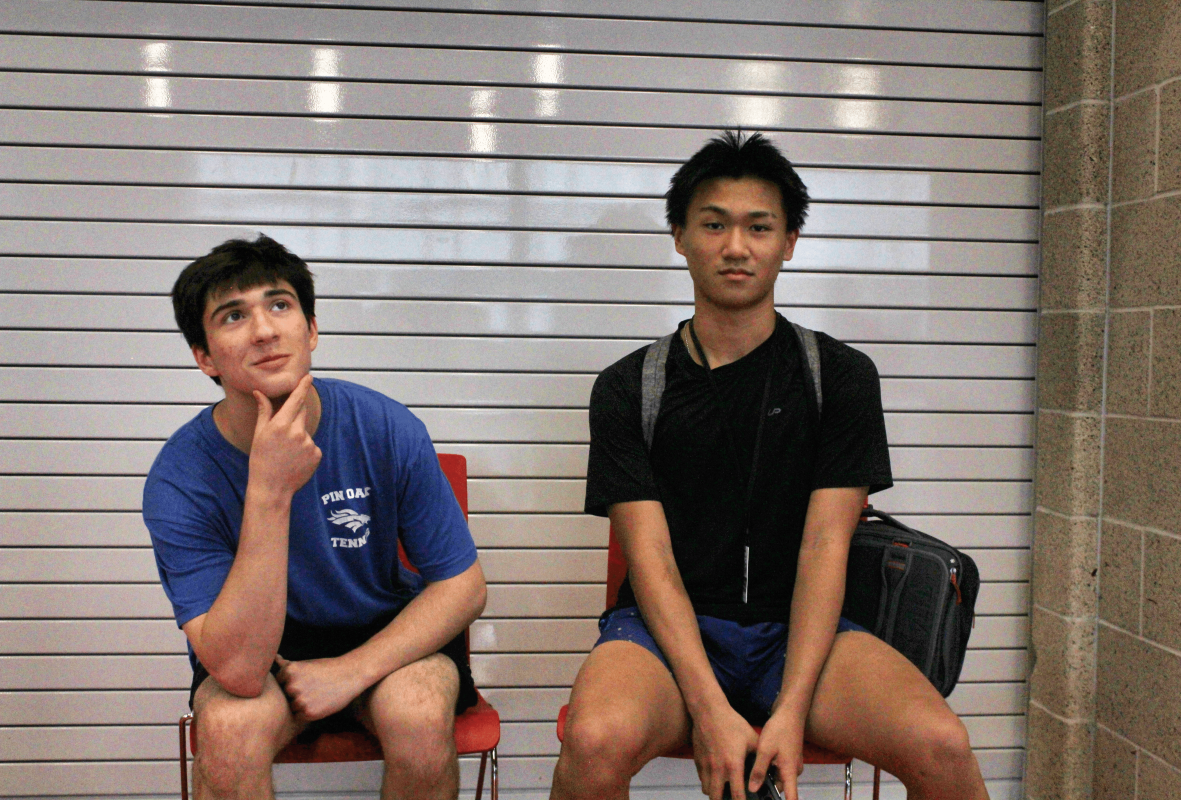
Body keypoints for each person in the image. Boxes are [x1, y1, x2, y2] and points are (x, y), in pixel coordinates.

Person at [550, 132, 989, 800]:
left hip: (802, 632)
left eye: (759, 227)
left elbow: (824, 547)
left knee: (943, 746)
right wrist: (708, 708)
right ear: (679, 236)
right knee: (593, 741)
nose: (735, 246)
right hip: (666, 638)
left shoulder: (837, 376)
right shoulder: (628, 387)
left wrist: (789, 707)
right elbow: (651, 560)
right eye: (714, 224)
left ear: (788, 242)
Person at [143, 235, 486, 800]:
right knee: (229, 732)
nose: (264, 330)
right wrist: (269, 490)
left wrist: (350, 670)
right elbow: (239, 669)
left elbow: (463, 586)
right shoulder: (180, 477)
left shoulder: (386, 426)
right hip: (258, 643)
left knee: (419, 716)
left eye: (280, 305)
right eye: (233, 316)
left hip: (383, 631)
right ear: (204, 356)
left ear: (312, 329)